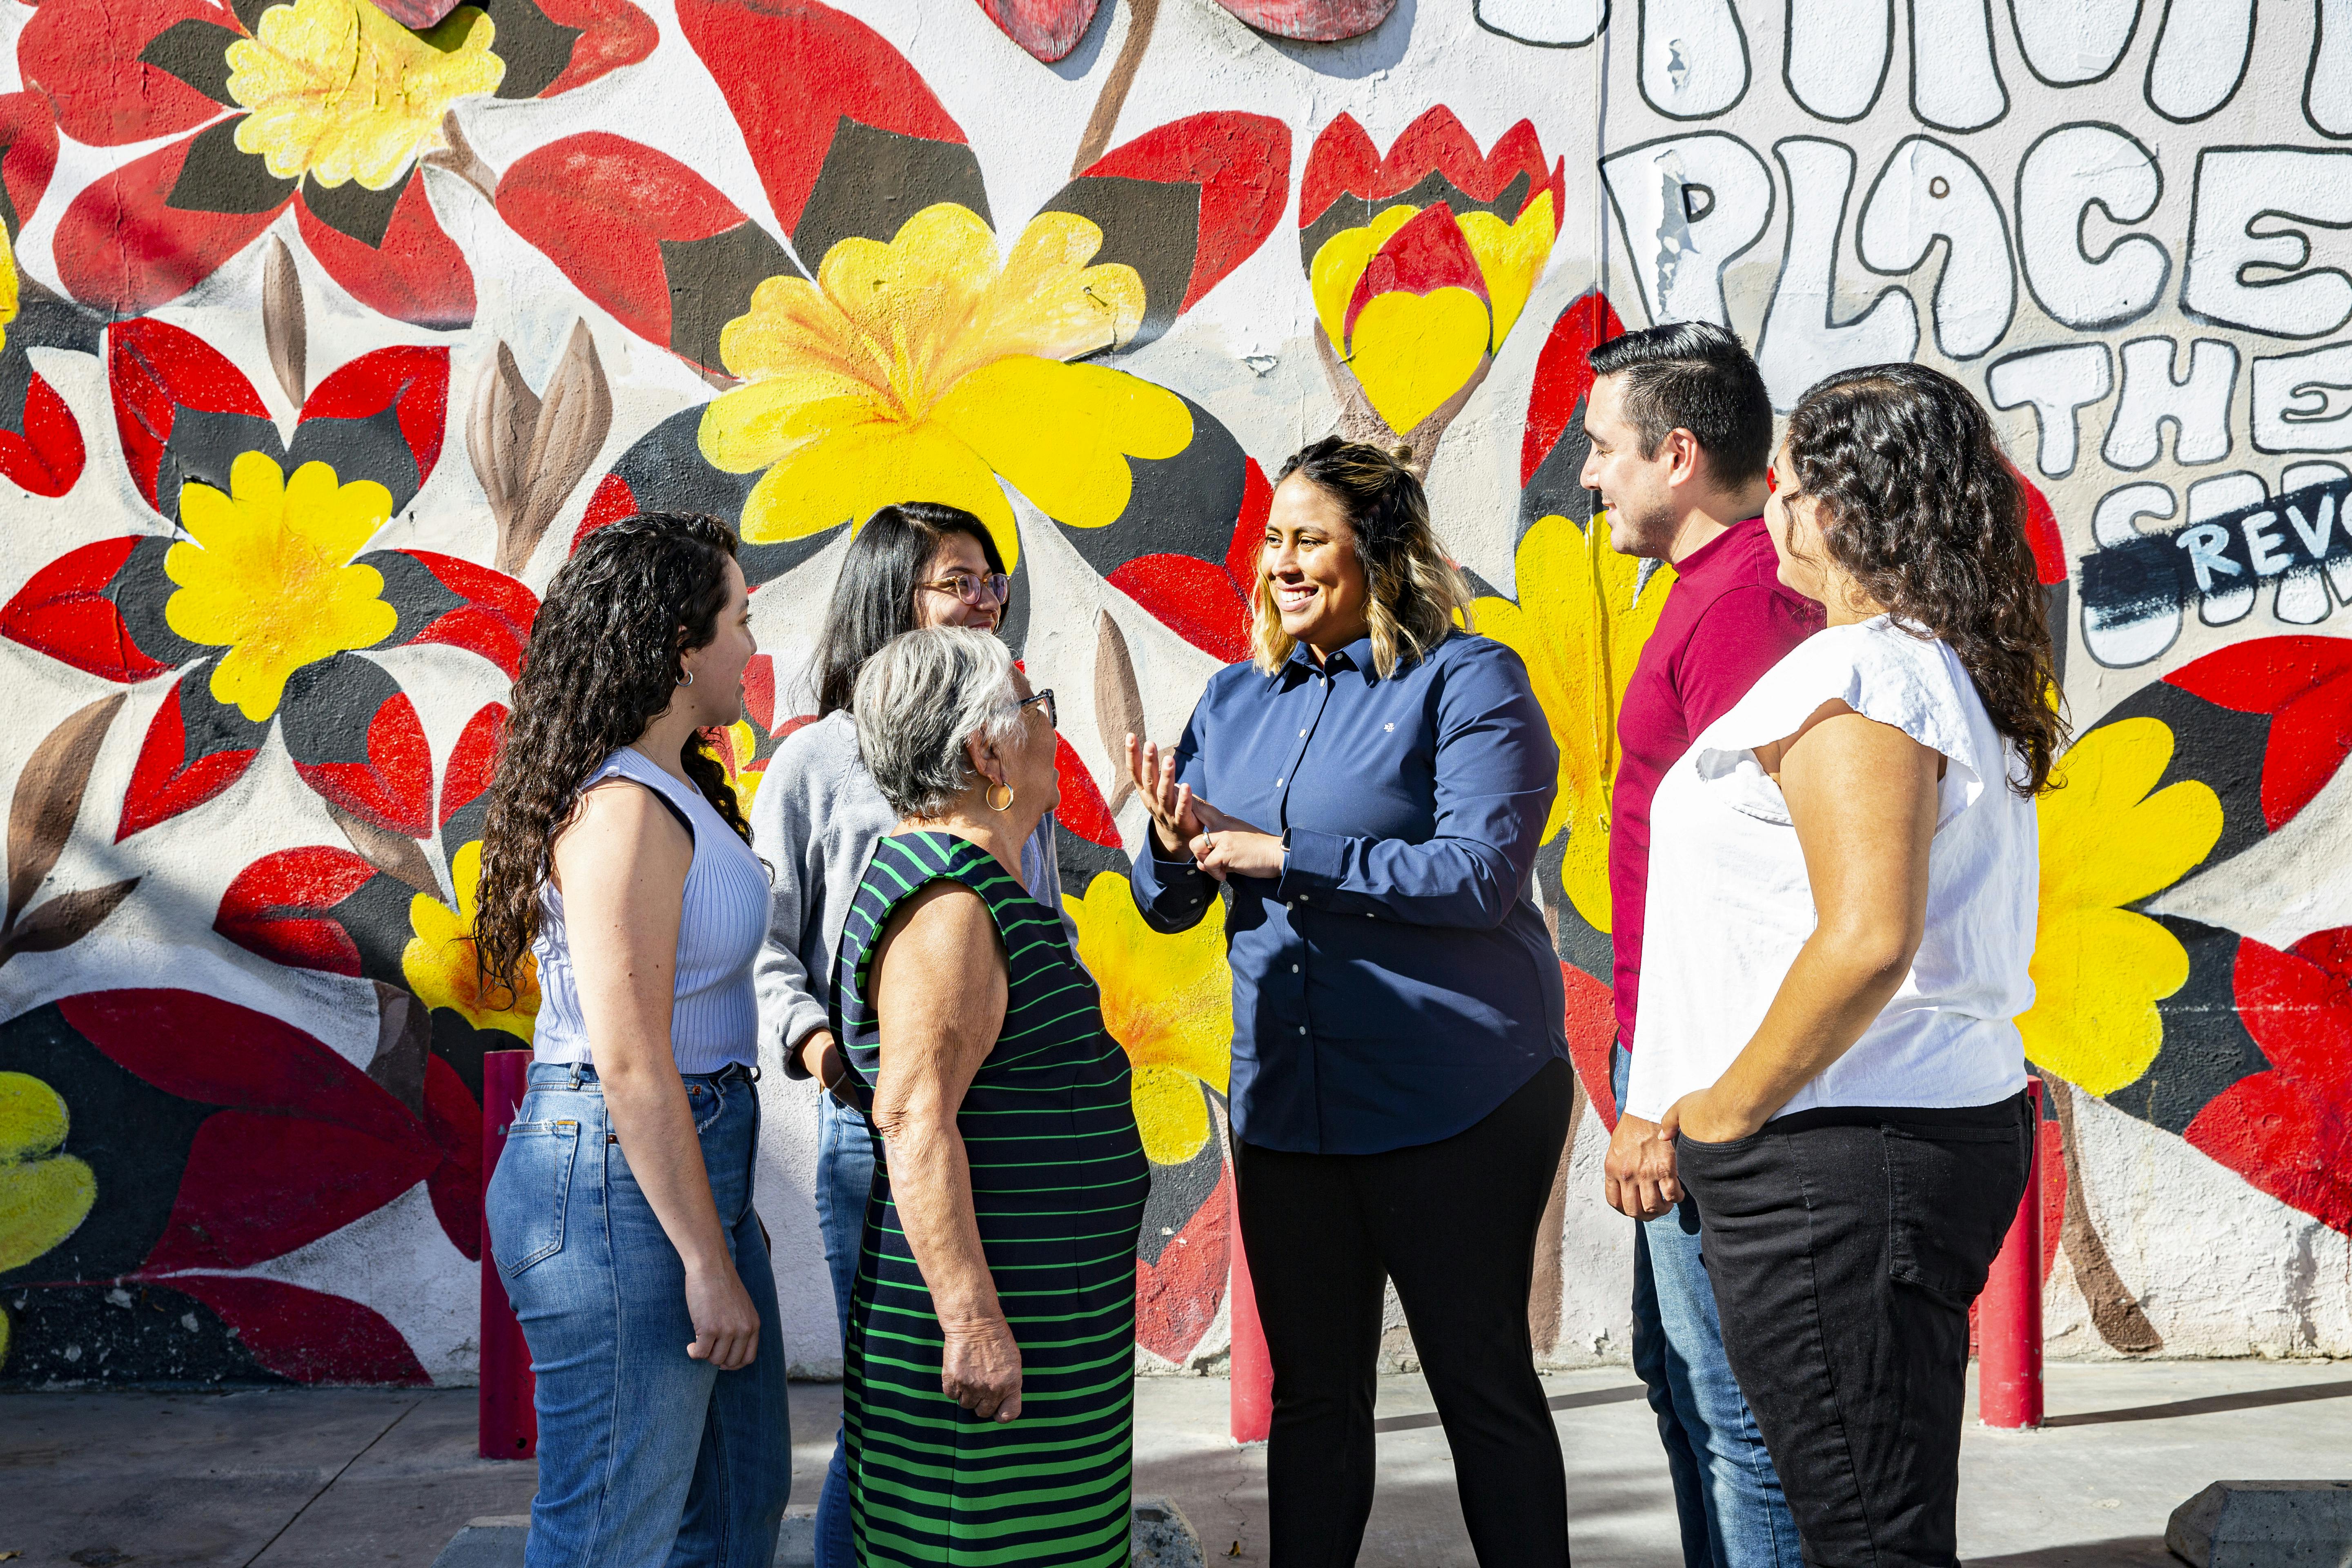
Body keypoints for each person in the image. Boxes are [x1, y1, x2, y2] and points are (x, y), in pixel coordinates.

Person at [1626, 363, 2062, 1568]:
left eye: (1784, 483)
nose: (1769, 506)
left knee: (1866, 1536)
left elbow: (1870, 935)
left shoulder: (1862, 675)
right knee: (1875, 1518)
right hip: (1884, 1142)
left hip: (1839, 1155)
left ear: (1836, 507)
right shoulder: (1926, 667)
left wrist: (1721, 1112)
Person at [1125, 437, 1571, 1568]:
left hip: (1458, 1100)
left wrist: (1288, 857)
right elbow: (1174, 904)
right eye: (1272, 541)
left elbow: (1480, 875)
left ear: (1380, 552)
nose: (1281, 564)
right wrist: (1173, 844)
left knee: (1479, 1382)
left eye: (1309, 540)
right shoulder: (1234, 699)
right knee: (1316, 1398)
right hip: (1292, 1107)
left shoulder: (1469, 681)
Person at [748, 502, 1063, 1568]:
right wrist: (823, 1052)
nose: (985, 601)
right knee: (894, 1421)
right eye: (957, 582)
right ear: (894, 596)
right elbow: (767, 947)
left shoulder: (1005, 749)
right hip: (883, 1131)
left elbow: (1037, 921)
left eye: (991, 581)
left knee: (996, 1415)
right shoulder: (816, 761)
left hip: (1006, 1134)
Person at [474, 511, 788, 1567]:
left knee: (736, 1508)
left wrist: (721, 1222)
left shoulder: (675, 787)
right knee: (610, 1531)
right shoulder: (624, 810)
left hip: (681, 1162)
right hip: (616, 1181)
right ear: (681, 646)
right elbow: (630, 1058)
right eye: (739, 621)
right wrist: (704, 1256)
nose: (752, 646)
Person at [830, 626, 1148, 1566]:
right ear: (986, 752)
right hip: (996, 1336)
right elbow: (912, 1116)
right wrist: (972, 1324)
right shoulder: (952, 905)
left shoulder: (970, 883)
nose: (1050, 723)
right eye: (1033, 705)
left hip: (1050, 1323)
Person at [1584, 322, 1817, 1568]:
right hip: (1664, 1049)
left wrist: (1671, 1099)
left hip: (1699, 1066)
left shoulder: (1745, 610)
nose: (1587, 475)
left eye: (1603, 449)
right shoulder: (1705, 590)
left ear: (1677, 456)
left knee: (1741, 1415)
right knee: (1681, 1384)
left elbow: (1758, 882)